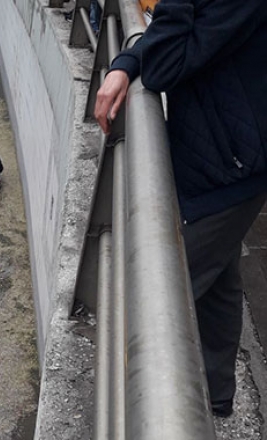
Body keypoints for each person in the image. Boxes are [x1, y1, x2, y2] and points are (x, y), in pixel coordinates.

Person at [94, 0, 267, 418]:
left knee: (161, 293)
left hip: (232, 163)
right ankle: (218, 395)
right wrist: (127, 61)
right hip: (222, 152)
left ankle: (152, 416)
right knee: (220, 278)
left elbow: (166, 63)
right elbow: (175, 39)